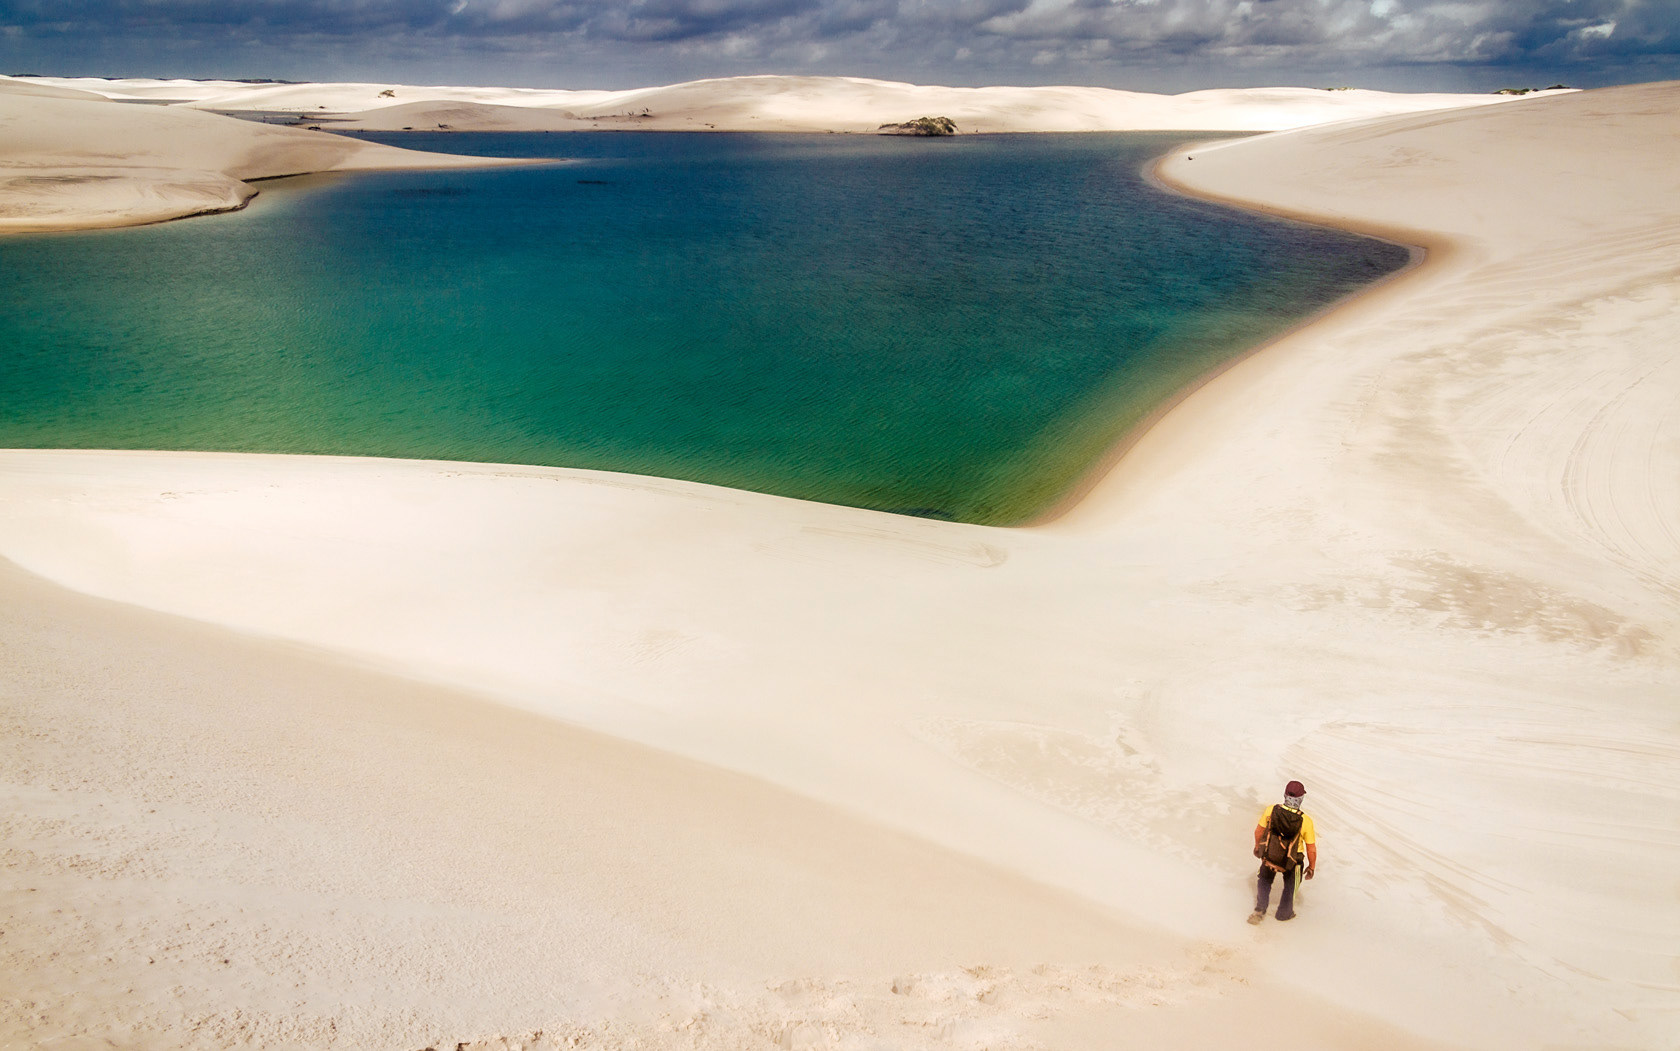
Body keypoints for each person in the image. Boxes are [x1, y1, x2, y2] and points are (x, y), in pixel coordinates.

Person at [1249, 779, 1316, 923]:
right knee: (1291, 886)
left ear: (1285, 795)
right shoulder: (1306, 820)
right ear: (1301, 799)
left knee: (1264, 880)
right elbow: (1311, 849)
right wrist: (1311, 867)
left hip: (1271, 854)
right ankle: (1284, 914)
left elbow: (1258, 831)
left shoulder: (1271, 810)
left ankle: (1260, 910)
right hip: (1293, 860)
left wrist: (1257, 847)